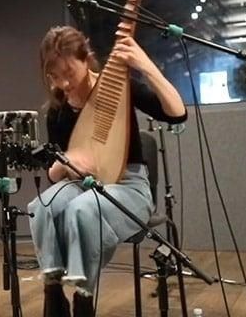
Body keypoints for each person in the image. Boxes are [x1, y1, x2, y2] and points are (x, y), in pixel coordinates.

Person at [27, 26, 187, 317]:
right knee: (41, 208)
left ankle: (83, 299)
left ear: (86, 58)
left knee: (81, 210)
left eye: (69, 72)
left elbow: (177, 113)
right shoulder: (58, 110)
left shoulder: (117, 90)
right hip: (82, 184)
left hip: (129, 186)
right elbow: (54, 175)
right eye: (54, 76)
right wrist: (66, 163)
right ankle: (53, 293)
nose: (63, 83)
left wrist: (145, 65)